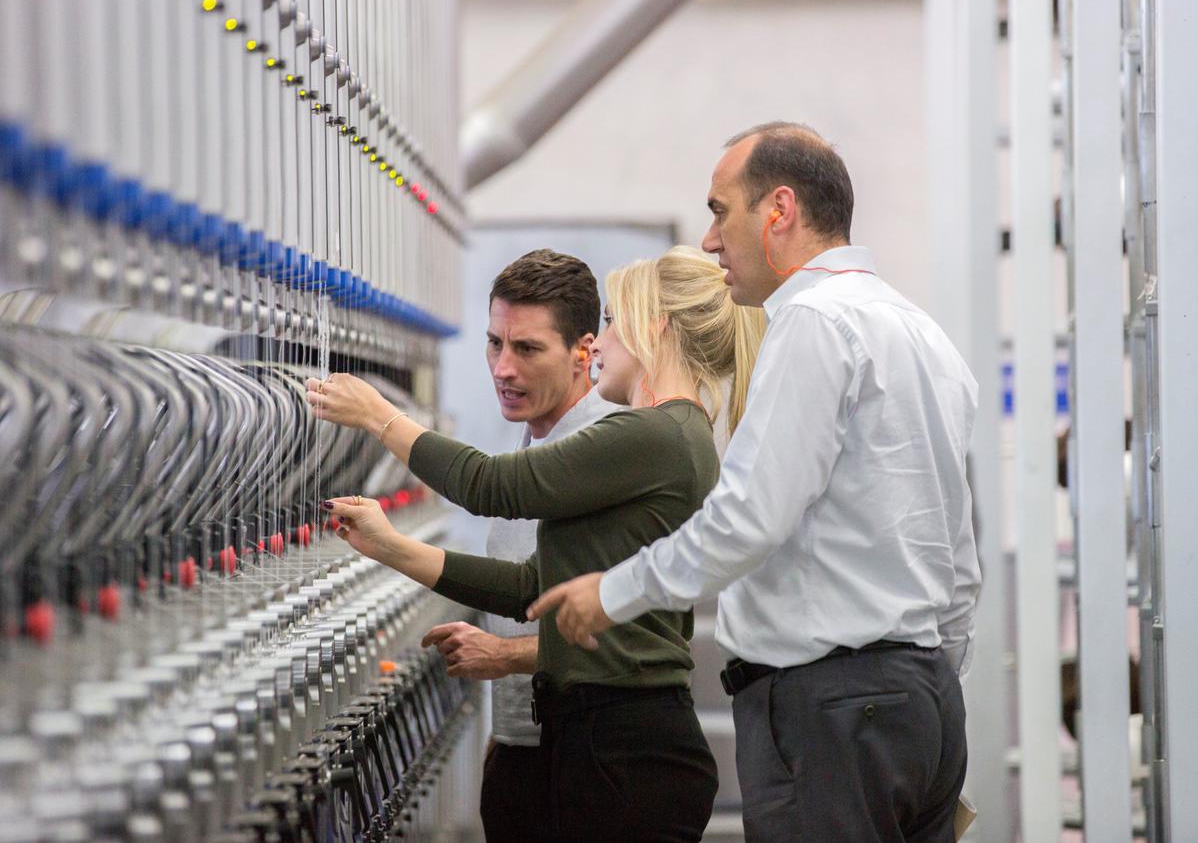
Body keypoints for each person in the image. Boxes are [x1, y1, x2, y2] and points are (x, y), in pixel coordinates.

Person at [530, 122, 982, 843]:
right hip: (924, 704)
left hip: (832, 715)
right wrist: (920, 687)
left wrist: (614, 591)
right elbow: (959, 554)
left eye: (719, 210)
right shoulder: (922, 332)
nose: (710, 241)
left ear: (778, 210)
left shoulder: (811, 323)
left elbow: (748, 517)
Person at [308, 245, 765, 843]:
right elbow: (534, 587)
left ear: (654, 329)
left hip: (624, 748)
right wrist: (392, 548)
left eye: (609, 325)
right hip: (597, 738)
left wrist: (379, 415)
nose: (598, 346)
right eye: (495, 345)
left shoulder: (654, 434)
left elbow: (491, 484)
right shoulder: (659, 434)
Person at [416, 249, 622, 840]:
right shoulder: (536, 451)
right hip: (525, 746)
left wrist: (503, 658)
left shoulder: (605, 450)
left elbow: (626, 634)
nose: (503, 368)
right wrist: (503, 744)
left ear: (586, 349)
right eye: (494, 344)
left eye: (527, 349)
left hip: (591, 759)